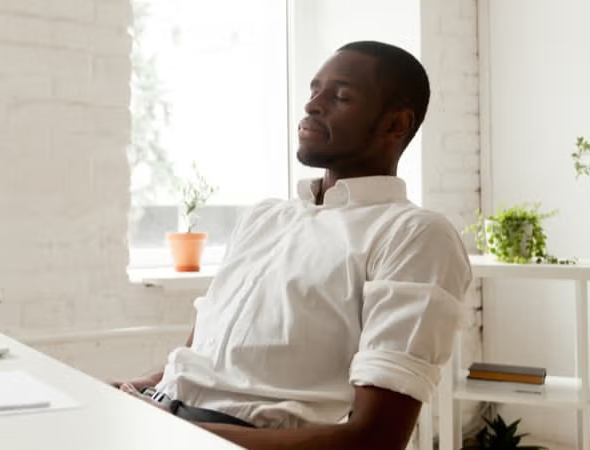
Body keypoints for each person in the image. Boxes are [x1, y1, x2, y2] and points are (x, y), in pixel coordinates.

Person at [114, 41, 472, 450]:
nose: (313, 105)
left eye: (340, 96)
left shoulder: (414, 235)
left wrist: (178, 432)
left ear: (396, 125)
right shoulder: (264, 217)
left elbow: (375, 439)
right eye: (313, 90)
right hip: (160, 418)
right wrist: (135, 391)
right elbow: (202, 355)